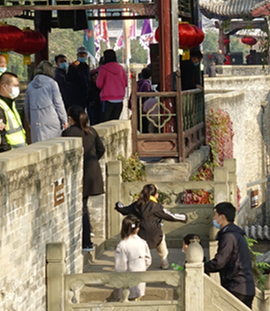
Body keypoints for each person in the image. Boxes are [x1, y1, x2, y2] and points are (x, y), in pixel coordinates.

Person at [115, 183, 188, 269]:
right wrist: (184, 217)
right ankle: (164, 261)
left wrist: (118, 205)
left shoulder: (136, 205)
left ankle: (140, 263)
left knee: (139, 245)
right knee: (161, 239)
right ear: (155, 195)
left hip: (141, 234)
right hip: (155, 235)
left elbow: (124, 209)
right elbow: (170, 216)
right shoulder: (157, 207)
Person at [62, 105, 105, 251]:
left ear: (70, 119)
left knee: (82, 208)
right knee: (84, 206)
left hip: (80, 174)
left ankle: (86, 241)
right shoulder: (91, 131)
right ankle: (88, 235)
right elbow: (101, 149)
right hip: (92, 173)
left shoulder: (68, 133)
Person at [205, 201, 255, 307]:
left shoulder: (229, 236)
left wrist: (203, 267)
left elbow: (219, 262)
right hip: (245, 287)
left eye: (215, 215)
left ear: (222, 217)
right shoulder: (236, 234)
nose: (213, 218)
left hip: (236, 287)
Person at [25, 60, 68, 143]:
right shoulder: (52, 84)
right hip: (51, 119)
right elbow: (58, 103)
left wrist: (29, 121)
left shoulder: (30, 86)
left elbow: (27, 106)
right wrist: (64, 119)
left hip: (36, 121)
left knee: (38, 146)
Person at [0, 72, 26, 153]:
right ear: (4, 86)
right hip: (4, 154)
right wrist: (8, 151)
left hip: (17, 152)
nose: (17, 89)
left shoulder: (10, 104)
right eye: (15, 86)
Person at [114, 216, 151, 300]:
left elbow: (120, 267)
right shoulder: (142, 243)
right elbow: (148, 260)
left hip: (126, 282)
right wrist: (142, 268)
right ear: (137, 229)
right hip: (140, 279)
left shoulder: (122, 245)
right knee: (137, 299)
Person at [96, 49, 127, 122]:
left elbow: (99, 84)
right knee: (115, 123)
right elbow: (125, 83)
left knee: (105, 123)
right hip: (119, 99)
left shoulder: (103, 68)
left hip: (107, 99)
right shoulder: (121, 68)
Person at [65, 47, 91, 111]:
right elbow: (68, 78)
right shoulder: (73, 66)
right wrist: (73, 68)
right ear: (77, 55)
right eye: (81, 55)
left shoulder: (86, 66)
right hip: (75, 96)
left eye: (84, 55)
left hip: (85, 96)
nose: (82, 56)